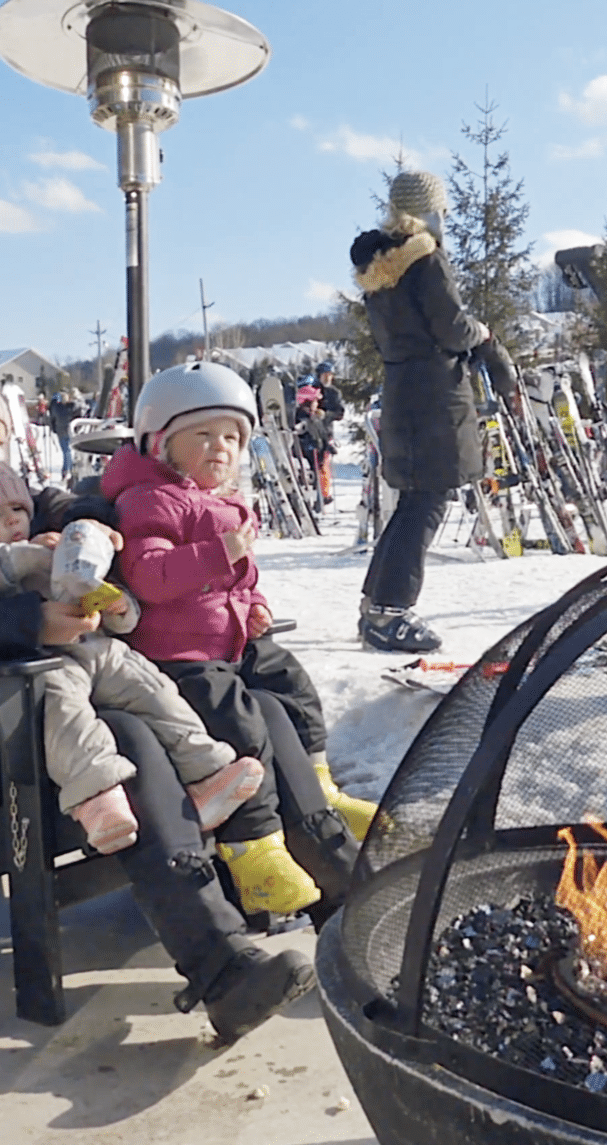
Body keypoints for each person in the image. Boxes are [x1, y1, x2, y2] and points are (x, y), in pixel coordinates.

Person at [0, 354, 314, 1044]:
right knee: (131, 736)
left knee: (179, 702)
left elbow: (71, 502)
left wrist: (88, 525)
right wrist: (25, 623)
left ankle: (267, 903)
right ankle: (219, 965)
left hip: (38, 702)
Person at [0, 429, 266, 858]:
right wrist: (36, 555)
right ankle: (97, 800)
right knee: (63, 711)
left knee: (153, 688)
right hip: (33, 664)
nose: (15, 521)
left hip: (91, 647)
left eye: (19, 508)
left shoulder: (31, 543)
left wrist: (114, 607)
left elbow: (83, 589)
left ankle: (205, 770)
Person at [101, 362, 377, 853]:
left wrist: (255, 606)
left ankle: (320, 787)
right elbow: (150, 576)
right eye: (203, 434)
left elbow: (242, 581)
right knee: (241, 719)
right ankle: (255, 842)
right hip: (180, 656)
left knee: (290, 683)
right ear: (159, 443)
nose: (220, 446)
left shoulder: (224, 506)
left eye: (232, 437)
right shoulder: (149, 500)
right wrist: (218, 552)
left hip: (228, 641)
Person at [349, 169, 514, 652]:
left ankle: (377, 605)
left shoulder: (380, 269)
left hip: (404, 387)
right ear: (430, 210)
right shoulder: (425, 259)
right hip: (437, 395)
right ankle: (390, 613)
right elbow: (450, 328)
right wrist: (481, 333)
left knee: (414, 502)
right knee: (427, 502)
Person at [315, 362, 344, 506]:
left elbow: (340, 413)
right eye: (325, 375)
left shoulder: (334, 393)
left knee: (323, 464)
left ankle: (325, 494)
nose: (328, 378)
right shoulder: (312, 390)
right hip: (309, 431)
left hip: (326, 433)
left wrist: (326, 415)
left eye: (330, 375)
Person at [48, 391, 80, 479]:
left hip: (60, 431)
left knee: (66, 451)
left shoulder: (57, 408)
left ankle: (66, 470)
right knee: (68, 451)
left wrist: (54, 429)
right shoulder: (71, 407)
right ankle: (68, 469)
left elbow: (52, 415)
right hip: (69, 430)